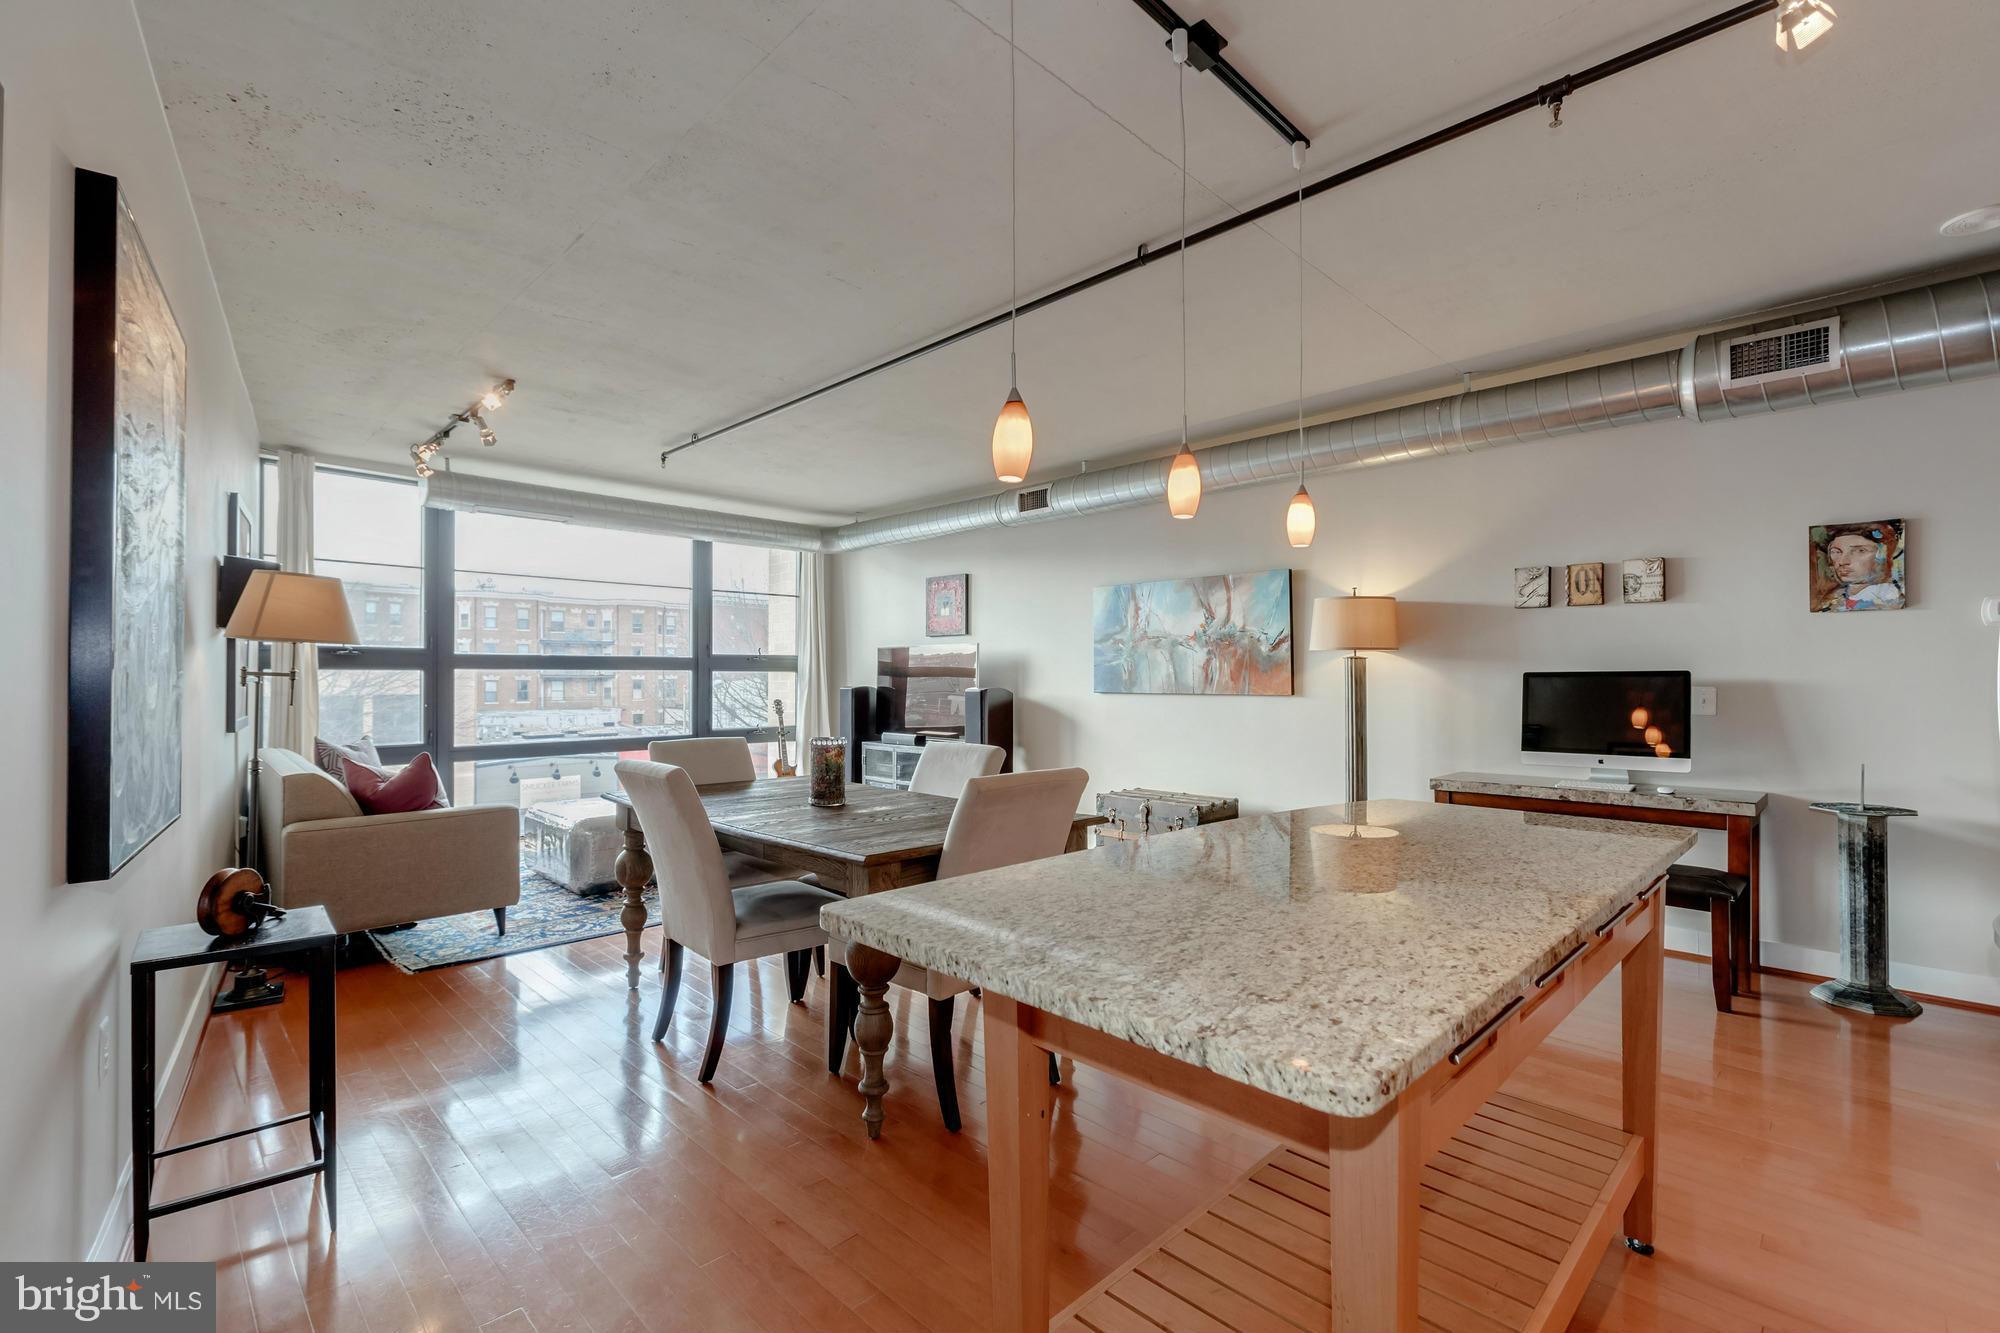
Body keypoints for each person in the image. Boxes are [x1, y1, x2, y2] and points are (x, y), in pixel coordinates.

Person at [1813, 521, 1904, 612]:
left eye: (1860, 551)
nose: (1842, 561)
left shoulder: (1892, 599)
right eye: (1836, 552)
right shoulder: (1830, 600)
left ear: (1884, 555)